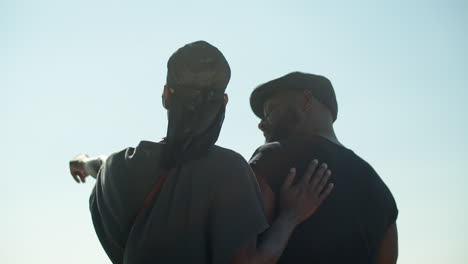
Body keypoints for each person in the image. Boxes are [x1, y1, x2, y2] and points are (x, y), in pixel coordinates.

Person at [69, 42, 333, 264]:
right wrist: (290, 217)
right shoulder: (229, 170)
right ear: (224, 103)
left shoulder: (118, 169)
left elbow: (100, 165)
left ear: (166, 97)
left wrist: (82, 161)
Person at [249, 72, 399, 264]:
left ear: (305, 100)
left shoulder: (271, 159)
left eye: (271, 110)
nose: (261, 124)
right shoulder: (381, 192)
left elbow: (240, 257)